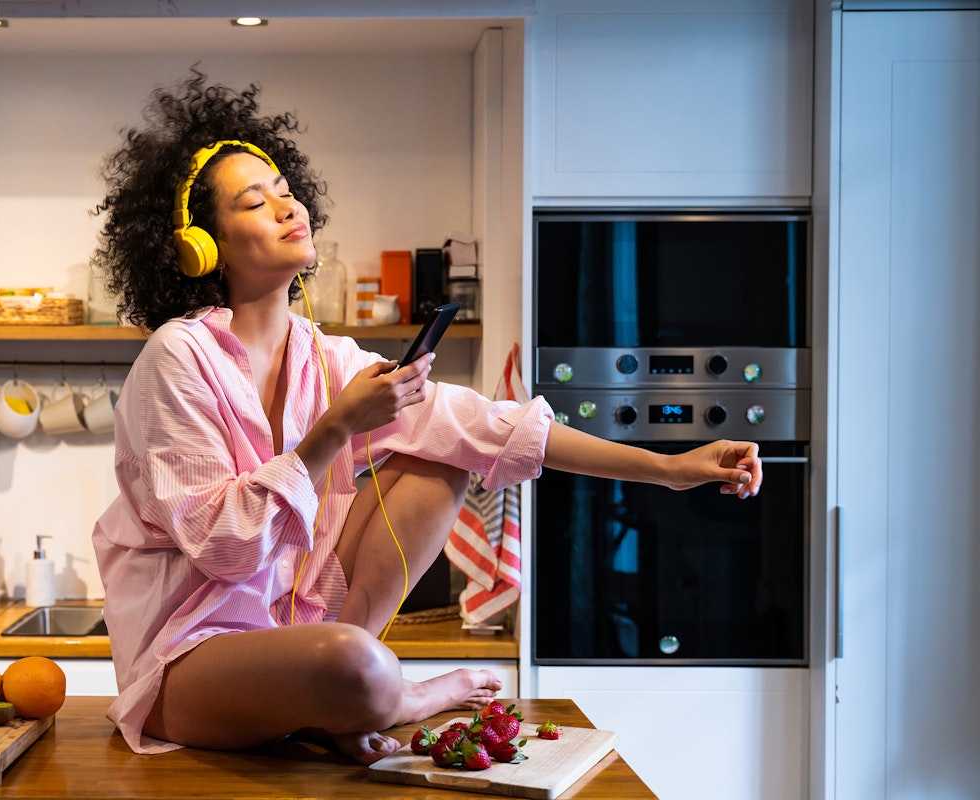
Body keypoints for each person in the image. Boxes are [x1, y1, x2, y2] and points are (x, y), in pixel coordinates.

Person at [90, 72, 764, 764]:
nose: (287, 209)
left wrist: (668, 468)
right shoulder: (178, 357)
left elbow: (487, 426)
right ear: (204, 247)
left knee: (442, 456)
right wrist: (334, 433)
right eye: (256, 204)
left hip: (299, 633)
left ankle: (345, 704)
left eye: (287, 193)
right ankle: (403, 694)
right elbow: (225, 549)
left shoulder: (327, 360)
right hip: (189, 657)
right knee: (360, 664)